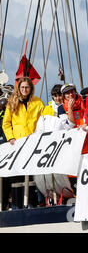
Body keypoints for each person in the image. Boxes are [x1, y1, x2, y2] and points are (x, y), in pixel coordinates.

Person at [2, 77, 45, 210]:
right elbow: (6, 123)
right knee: (18, 175)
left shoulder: (37, 102)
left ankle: (32, 203)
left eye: (27, 87)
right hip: (18, 144)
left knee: (32, 175)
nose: (24, 90)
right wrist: (10, 138)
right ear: (18, 89)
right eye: (22, 87)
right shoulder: (12, 102)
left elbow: (44, 119)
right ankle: (16, 205)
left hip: (33, 143)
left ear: (31, 88)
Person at [58, 83, 88, 154]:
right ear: (63, 96)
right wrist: (70, 109)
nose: (71, 94)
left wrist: (85, 124)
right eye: (67, 93)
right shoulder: (61, 108)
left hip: (86, 134)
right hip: (73, 137)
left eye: (72, 91)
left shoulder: (84, 102)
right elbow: (68, 125)